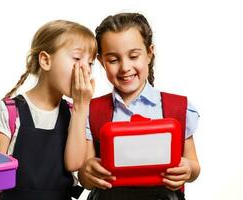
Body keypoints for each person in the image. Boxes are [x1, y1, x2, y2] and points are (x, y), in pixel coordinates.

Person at [78, 13, 200, 200]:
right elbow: (86, 175)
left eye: (133, 56)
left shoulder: (177, 107)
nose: (125, 67)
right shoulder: (91, 110)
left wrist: (188, 169)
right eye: (113, 60)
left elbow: (194, 166)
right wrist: (87, 173)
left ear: (150, 53)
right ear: (102, 62)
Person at [0, 20, 96, 200]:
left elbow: (74, 164)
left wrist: (81, 106)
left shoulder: (75, 112)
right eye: (77, 58)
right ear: (46, 60)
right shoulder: (9, 112)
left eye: (90, 63)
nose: (85, 69)